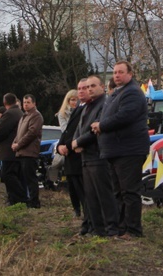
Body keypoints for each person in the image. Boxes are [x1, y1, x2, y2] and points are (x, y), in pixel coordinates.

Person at [91, 61, 150, 239]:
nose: (116, 75)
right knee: (119, 192)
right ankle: (122, 227)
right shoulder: (118, 93)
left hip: (129, 150)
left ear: (130, 74)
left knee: (129, 192)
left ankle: (133, 230)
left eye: (120, 72)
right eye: (115, 72)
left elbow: (124, 116)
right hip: (117, 150)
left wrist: (101, 125)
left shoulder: (132, 92)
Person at [73, 75, 119, 237]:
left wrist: (78, 142)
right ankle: (97, 228)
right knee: (91, 196)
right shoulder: (86, 106)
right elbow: (81, 128)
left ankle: (111, 228)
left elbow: (96, 129)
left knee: (104, 195)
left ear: (102, 87)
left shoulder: (104, 104)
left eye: (93, 86)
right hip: (87, 156)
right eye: (88, 86)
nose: (89, 89)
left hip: (98, 155)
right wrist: (76, 141)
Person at [57, 85, 88, 227]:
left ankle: (87, 214)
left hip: (77, 153)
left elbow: (79, 132)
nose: (75, 101)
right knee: (72, 185)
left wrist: (67, 146)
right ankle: (76, 209)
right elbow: (67, 131)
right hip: (68, 153)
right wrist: (59, 146)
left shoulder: (85, 110)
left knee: (82, 188)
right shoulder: (71, 112)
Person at [0, 95, 26, 205]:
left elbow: (0, 131)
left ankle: (20, 198)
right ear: (15, 101)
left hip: (8, 152)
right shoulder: (20, 113)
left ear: (5, 103)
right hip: (17, 151)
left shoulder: (9, 114)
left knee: (7, 175)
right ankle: (14, 199)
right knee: (16, 175)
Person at [12, 94, 43, 208]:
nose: (25, 105)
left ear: (34, 103)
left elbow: (31, 133)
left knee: (30, 178)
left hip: (29, 152)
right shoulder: (24, 116)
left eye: (28, 102)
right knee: (24, 177)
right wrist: (14, 142)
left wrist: (18, 145)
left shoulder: (36, 116)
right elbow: (19, 133)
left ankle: (34, 202)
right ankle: (27, 200)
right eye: (24, 102)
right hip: (21, 152)